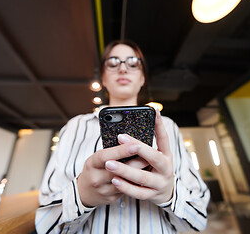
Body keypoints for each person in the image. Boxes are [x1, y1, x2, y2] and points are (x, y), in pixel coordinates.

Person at [35, 40, 210, 233]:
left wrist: (170, 193)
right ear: (103, 77)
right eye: (113, 63)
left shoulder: (168, 127)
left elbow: (199, 220)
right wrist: (81, 196)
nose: (123, 68)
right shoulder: (75, 126)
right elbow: (45, 224)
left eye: (133, 63)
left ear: (143, 78)